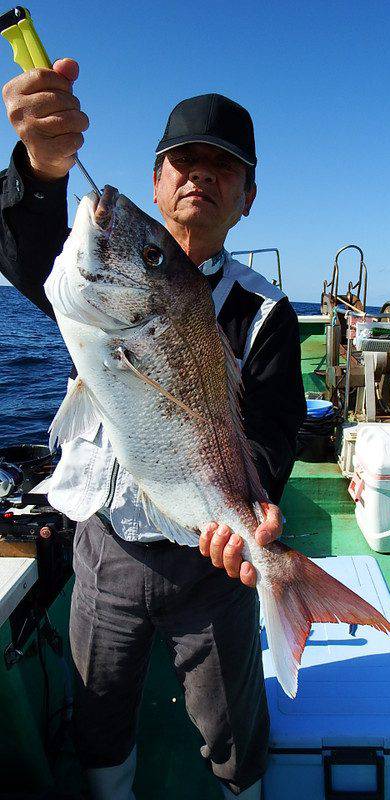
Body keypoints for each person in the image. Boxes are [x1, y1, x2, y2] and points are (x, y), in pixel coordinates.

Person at [0, 59, 306, 799]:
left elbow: (271, 434)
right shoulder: (90, 279)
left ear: (248, 197)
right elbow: (22, 247)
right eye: (182, 160)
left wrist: (255, 511)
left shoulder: (267, 313)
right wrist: (39, 170)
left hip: (211, 565)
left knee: (231, 723)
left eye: (222, 166)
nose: (200, 175)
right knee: (98, 715)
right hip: (106, 546)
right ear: (158, 179)